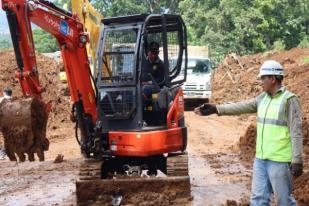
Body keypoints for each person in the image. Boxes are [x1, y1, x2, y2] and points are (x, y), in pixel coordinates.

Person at [194, 60, 303, 205]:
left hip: (280, 161)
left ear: (273, 79)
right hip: (261, 160)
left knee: (284, 201)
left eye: (263, 78)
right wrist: (216, 108)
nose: (261, 82)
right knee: (258, 200)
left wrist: (297, 160)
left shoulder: (289, 100)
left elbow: (296, 131)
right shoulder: (262, 99)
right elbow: (241, 106)